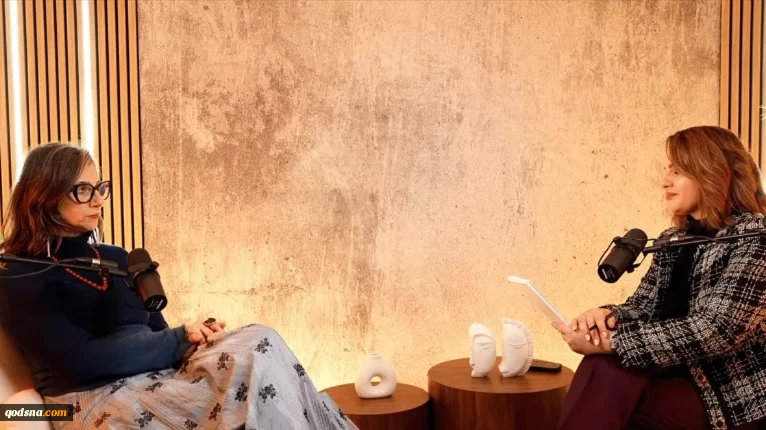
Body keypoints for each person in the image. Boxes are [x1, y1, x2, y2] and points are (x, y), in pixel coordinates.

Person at [0, 143, 356, 430]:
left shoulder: (116, 257)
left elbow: (159, 332)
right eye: (83, 190)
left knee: (260, 341)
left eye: (100, 187)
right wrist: (179, 339)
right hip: (94, 399)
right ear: (44, 195)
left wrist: (197, 337)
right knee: (252, 362)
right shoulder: (18, 275)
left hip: (154, 380)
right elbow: (79, 360)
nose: (98, 199)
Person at [553, 126, 766, 430]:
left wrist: (614, 341)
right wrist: (606, 317)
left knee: (607, 370)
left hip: (728, 400)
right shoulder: (673, 239)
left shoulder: (755, 237)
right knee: (603, 366)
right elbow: (642, 307)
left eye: (678, 170)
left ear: (711, 171)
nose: (665, 181)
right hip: (673, 378)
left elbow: (717, 329)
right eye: (668, 170)